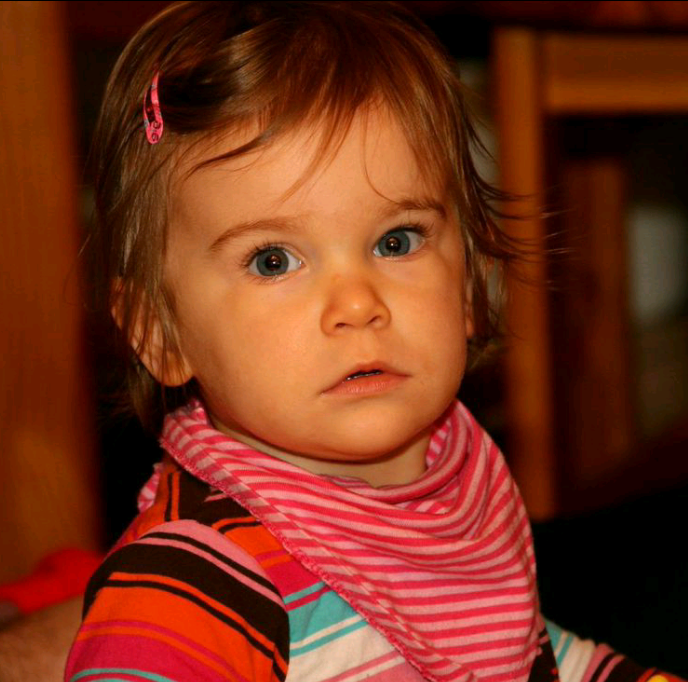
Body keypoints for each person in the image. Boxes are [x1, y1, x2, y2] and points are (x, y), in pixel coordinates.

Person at [64, 2, 683, 681]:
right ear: (159, 333)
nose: (358, 304)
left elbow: (512, 651)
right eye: (273, 260)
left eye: (396, 241)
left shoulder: (460, 481)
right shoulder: (191, 589)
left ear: (470, 281)